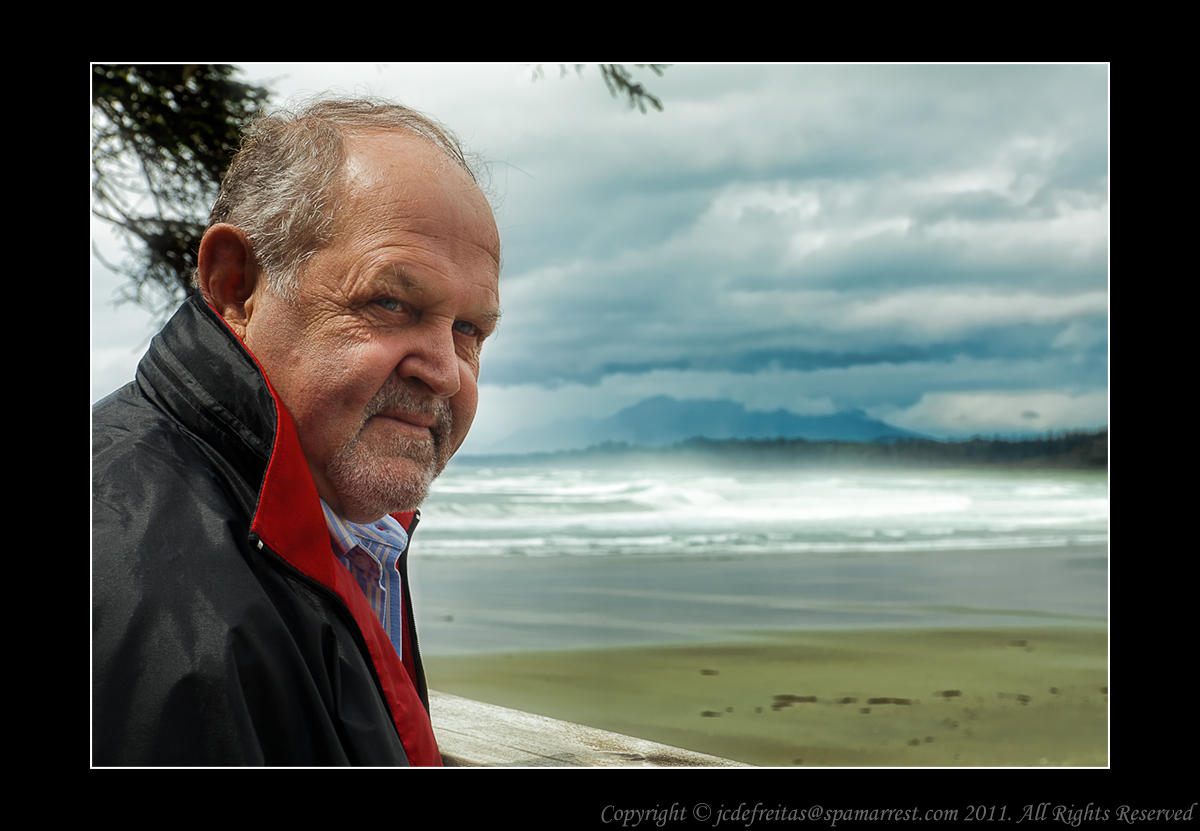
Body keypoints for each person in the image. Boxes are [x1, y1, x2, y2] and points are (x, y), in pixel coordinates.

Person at [91, 97, 502, 766]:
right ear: (236, 286)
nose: (447, 374)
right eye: (389, 301)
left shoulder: (330, 530)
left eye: (470, 330)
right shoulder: (174, 620)